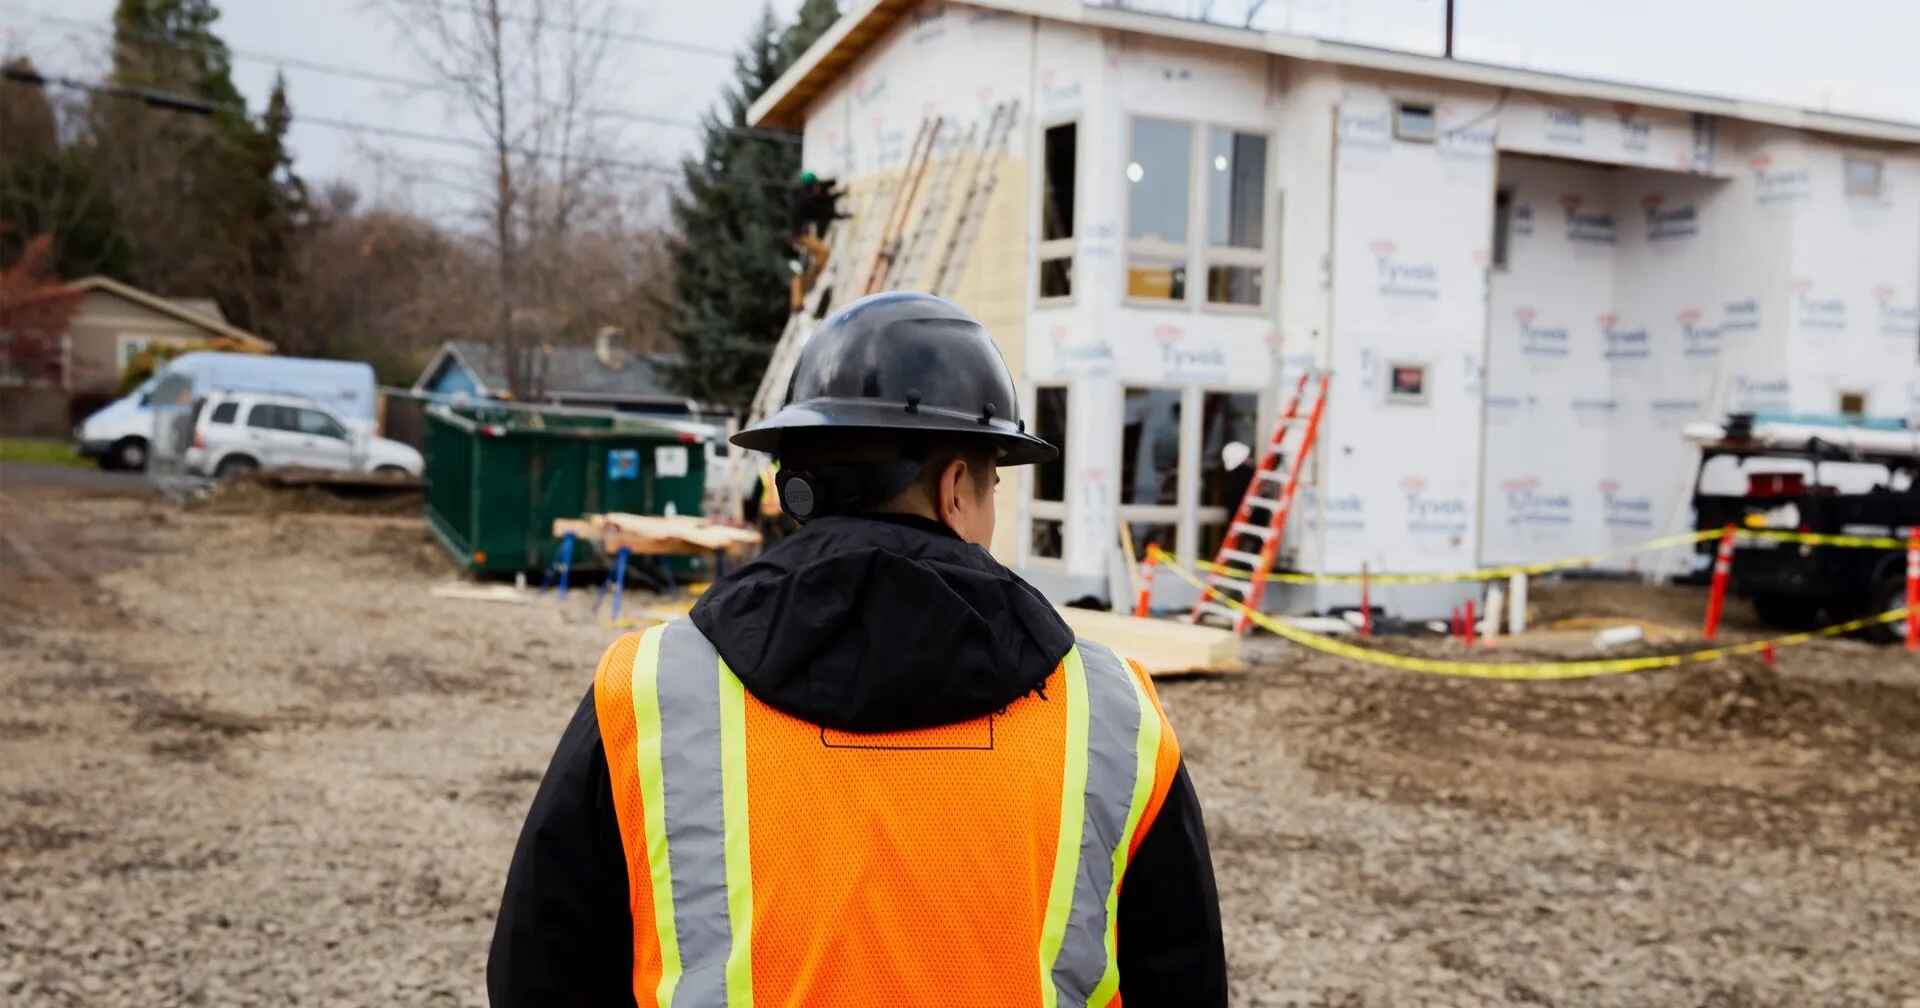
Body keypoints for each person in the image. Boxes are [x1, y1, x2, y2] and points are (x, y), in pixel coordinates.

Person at [488, 291, 1227, 1006]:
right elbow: (1183, 984)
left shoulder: (648, 692)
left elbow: (538, 975)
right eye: (994, 483)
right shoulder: (1112, 719)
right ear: (955, 488)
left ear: (799, 483)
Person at [788, 170, 847, 311]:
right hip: (801, 237)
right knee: (823, 252)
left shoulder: (805, 196)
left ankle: (805, 286)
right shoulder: (807, 200)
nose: (818, 188)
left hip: (801, 236)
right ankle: (809, 281)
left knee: (808, 263)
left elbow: (822, 193)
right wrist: (840, 212)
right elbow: (821, 210)